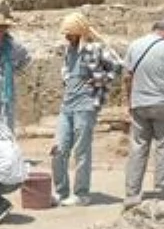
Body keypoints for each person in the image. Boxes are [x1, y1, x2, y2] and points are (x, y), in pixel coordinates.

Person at [50, 12, 122, 207]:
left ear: (79, 33)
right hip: (67, 105)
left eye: (70, 34)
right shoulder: (68, 50)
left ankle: (81, 193)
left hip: (86, 105)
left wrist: (98, 79)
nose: (67, 37)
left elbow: (118, 67)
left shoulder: (95, 49)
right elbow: (66, 70)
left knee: (81, 150)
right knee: (59, 149)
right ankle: (60, 191)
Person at [122, 18, 164, 209]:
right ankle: (163, 192)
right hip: (163, 102)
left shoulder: (134, 45)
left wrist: (130, 100)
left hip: (139, 103)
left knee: (138, 148)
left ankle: (132, 193)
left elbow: (127, 77)